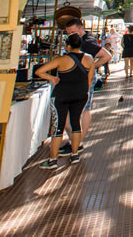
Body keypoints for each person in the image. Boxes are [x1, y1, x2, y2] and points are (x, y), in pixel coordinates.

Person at [35, 34, 93, 169]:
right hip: (80, 95)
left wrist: (52, 78)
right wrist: (82, 90)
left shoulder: (61, 60)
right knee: (76, 124)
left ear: (68, 46)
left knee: (58, 127)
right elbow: (89, 80)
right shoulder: (89, 59)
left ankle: (52, 160)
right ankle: (74, 155)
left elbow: (39, 71)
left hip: (61, 95)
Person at [62, 18, 111, 157]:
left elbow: (106, 56)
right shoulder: (83, 40)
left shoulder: (87, 42)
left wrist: (89, 67)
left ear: (81, 29)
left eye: (72, 32)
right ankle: (75, 142)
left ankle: (77, 143)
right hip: (79, 79)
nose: (70, 35)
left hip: (84, 80)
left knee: (84, 110)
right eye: (68, 32)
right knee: (79, 110)